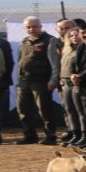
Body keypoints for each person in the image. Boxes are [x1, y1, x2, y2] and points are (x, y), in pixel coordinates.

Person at [15, 16, 61, 145]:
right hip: (24, 80)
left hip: (41, 80)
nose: (31, 29)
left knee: (44, 109)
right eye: (28, 27)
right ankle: (29, 135)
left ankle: (50, 136)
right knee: (23, 109)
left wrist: (53, 80)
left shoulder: (49, 41)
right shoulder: (24, 41)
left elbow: (54, 63)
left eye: (34, 26)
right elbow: (20, 61)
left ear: (40, 26)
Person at [56, 19, 85, 147]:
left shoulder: (84, 49)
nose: (74, 37)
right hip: (65, 81)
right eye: (71, 36)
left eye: (76, 35)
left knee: (81, 110)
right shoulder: (67, 49)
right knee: (69, 110)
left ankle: (84, 134)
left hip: (78, 82)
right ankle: (75, 133)